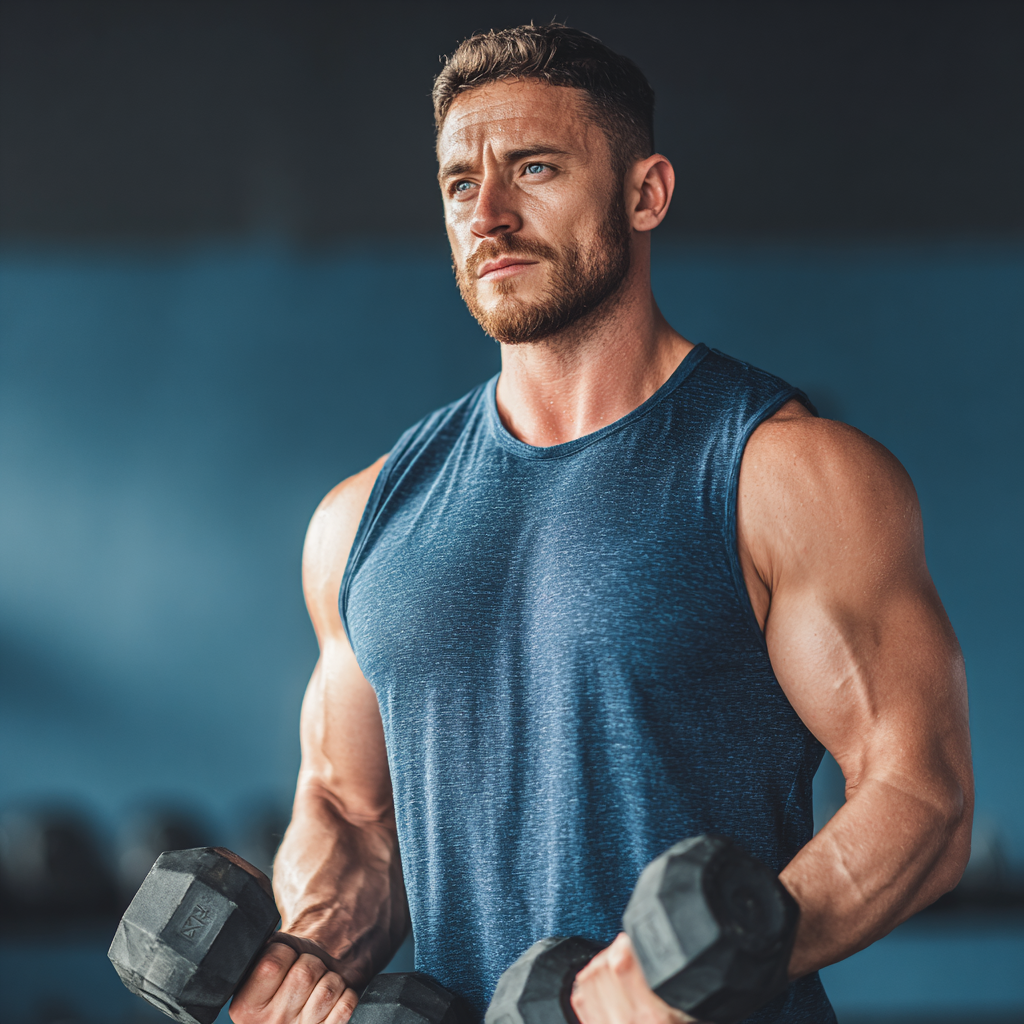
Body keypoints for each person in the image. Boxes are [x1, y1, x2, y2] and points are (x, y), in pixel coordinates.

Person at [230, 23, 973, 1024]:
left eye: (532, 168)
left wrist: (707, 963)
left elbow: (918, 795)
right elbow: (353, 815)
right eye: (459, 185)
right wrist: (312, 947)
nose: (486, 214)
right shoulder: (361, 518)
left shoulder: (785, 472)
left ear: (644, 192)